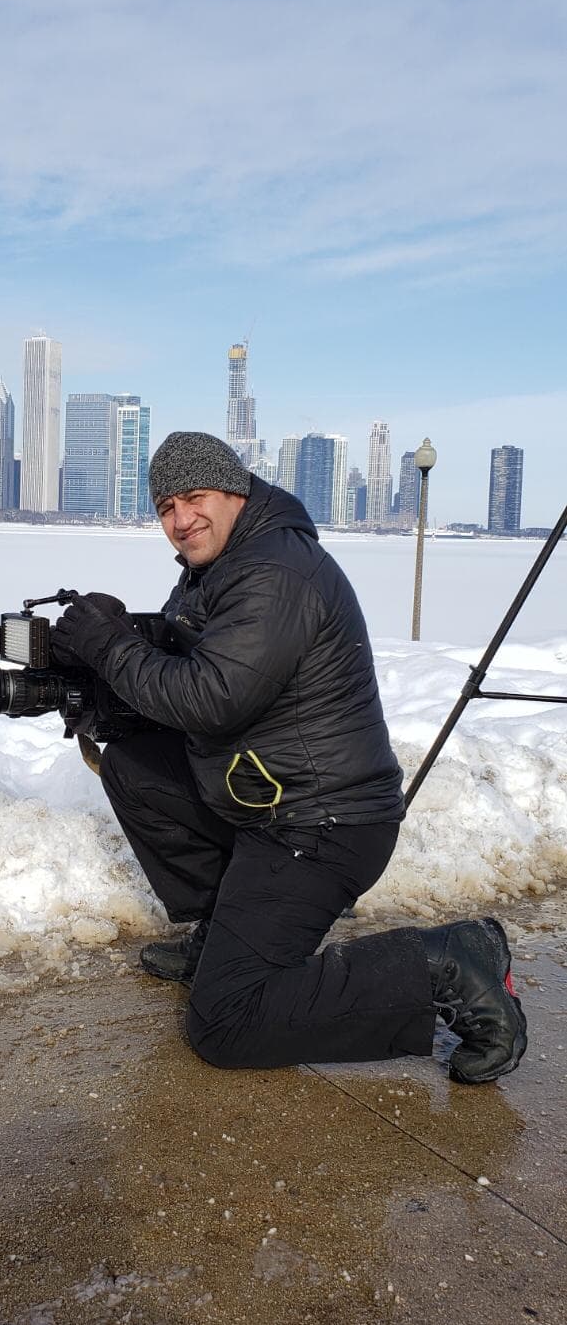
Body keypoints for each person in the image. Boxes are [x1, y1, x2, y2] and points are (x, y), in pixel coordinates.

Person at [52, 432, 527, 1085]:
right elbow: (187, 686)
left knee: (225, 1022)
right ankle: (219, 936)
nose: (180, 519)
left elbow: (211, 698)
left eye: (195, 497)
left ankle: (444, 964)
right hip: (268, 799)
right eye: (165, 507)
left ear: (236, 493)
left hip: (323, 823)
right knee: (135, 765)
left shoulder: (274, 570)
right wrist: (93, 699)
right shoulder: (213, 571)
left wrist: (107, 647)